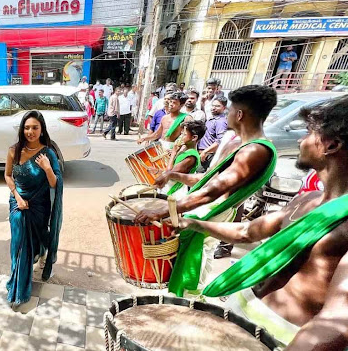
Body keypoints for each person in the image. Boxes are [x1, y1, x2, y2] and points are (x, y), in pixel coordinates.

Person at [175, 95, 348, 349]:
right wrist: (196, 225)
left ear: (331, 145)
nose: (301, 140)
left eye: (309, 132)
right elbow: (247, 231)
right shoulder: (308, 199)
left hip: (280, 339)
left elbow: (336, 322)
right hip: (240, 315)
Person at [135, 85, 279, 297]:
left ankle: (191, 310)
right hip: (207, 211)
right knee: (192, 268)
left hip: (212, 215)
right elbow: (208, 179)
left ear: (239, 114)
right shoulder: (239, 144)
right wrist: (172, 175)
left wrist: (163, 210)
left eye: (230, 109)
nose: (227, 114)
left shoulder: (254, 151)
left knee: (198, 271)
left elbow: (211, 192)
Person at [4, 111, 63, 308]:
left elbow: (55, 184)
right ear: (22, 129)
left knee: (38, 237)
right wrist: (18, 197)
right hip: (18, 201)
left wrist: (47, 168)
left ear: (41, 129)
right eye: (27, 127)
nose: (30, 131)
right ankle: (18, 285)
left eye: (35, 127)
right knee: (19, 242)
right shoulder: (14, 150)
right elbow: (7, 176)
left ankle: (41, 251)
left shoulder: (49, 153)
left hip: (39, 204)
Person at [152, 120, 206, 198]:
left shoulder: (191, 157)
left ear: (194, 138)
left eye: (184, 134)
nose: (180, 137)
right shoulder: (184, 150)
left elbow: (169, 173)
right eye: (181, 134)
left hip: (174, 193)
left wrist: (174, 153)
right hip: (169, 189)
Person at [197, 96, 228, 171]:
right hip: (202, 153)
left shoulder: (221, 122)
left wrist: (205, 151)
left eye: (217, 106)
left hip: (208, 155)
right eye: (213, 105)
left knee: (199, 177)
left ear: (224, 108)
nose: (214, 108)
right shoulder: (212, 119)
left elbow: (220, 140)